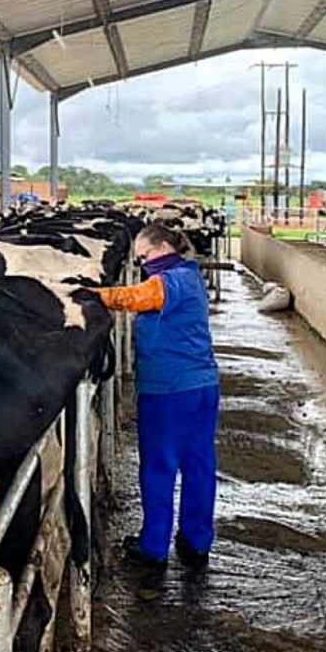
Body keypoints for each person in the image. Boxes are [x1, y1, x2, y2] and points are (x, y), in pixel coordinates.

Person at [96, 223, 219, 594]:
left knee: (159, 465)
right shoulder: (191, 276)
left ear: (164, 247)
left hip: (169, 389)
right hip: (202, 385)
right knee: (199, 463)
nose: (142, 262)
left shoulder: (173, 280)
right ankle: (196, 541)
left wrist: (88, 294)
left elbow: (137, 298)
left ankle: (153, 547)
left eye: (145, 256)